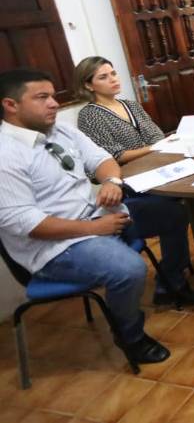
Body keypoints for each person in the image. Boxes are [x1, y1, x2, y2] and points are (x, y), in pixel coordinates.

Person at [0, 68, 172, 364]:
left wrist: (112, 182)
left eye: (53, 95)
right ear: (10, 105)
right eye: (42, 97)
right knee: (128, 269)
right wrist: (94, 228)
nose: (54, 103)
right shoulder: (6, 155)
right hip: (56, 247)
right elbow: (26, 223)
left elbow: (102, 159)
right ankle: (130, 336)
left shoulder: (61, 131)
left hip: (97, 218)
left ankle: (171, 287)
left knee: (170, 213)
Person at [74, 56, 194, 306]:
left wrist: (157, 145)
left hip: (157, 171)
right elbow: (113, 155)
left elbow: (156, 136)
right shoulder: (89, 116)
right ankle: (170, 282)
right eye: (103, 77)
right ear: (88, 85)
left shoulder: (130, 105)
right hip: (129, 187)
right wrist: (152, 148)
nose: (113, 79)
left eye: (113, 73)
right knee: (176, 211)